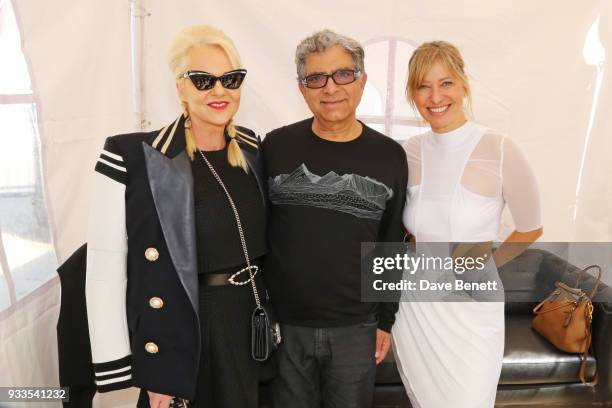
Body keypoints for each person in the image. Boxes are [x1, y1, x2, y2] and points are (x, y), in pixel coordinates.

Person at [84, 25, 273, 408]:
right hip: (182, 332)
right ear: (180, 87)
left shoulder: (252, 149)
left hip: (245, 325)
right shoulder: (131, 157)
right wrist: (143, 370)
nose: (219, 91)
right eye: (203, 80)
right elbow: (104, 269)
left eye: (230, 79)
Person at [392, 41, 543, 408]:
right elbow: (403, 227)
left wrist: (482, 263)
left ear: (463, 86)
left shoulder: (500, 147)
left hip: (472, 305)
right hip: (416, 303)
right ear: (413, 93)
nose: (435, 96)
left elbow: (531, 226)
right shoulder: (405, 151)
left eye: (445, 83)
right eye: (423, 86)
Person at [262, 29, 408, 408]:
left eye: (343, 74)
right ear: (302, 88)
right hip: (287, 327)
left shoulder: (389, 155)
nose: (330, 88)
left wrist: (385, 320)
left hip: (357, 328)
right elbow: (256, 229)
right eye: (316, 78)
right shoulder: (274, 146)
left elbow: (392, 243)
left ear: (361, 80)